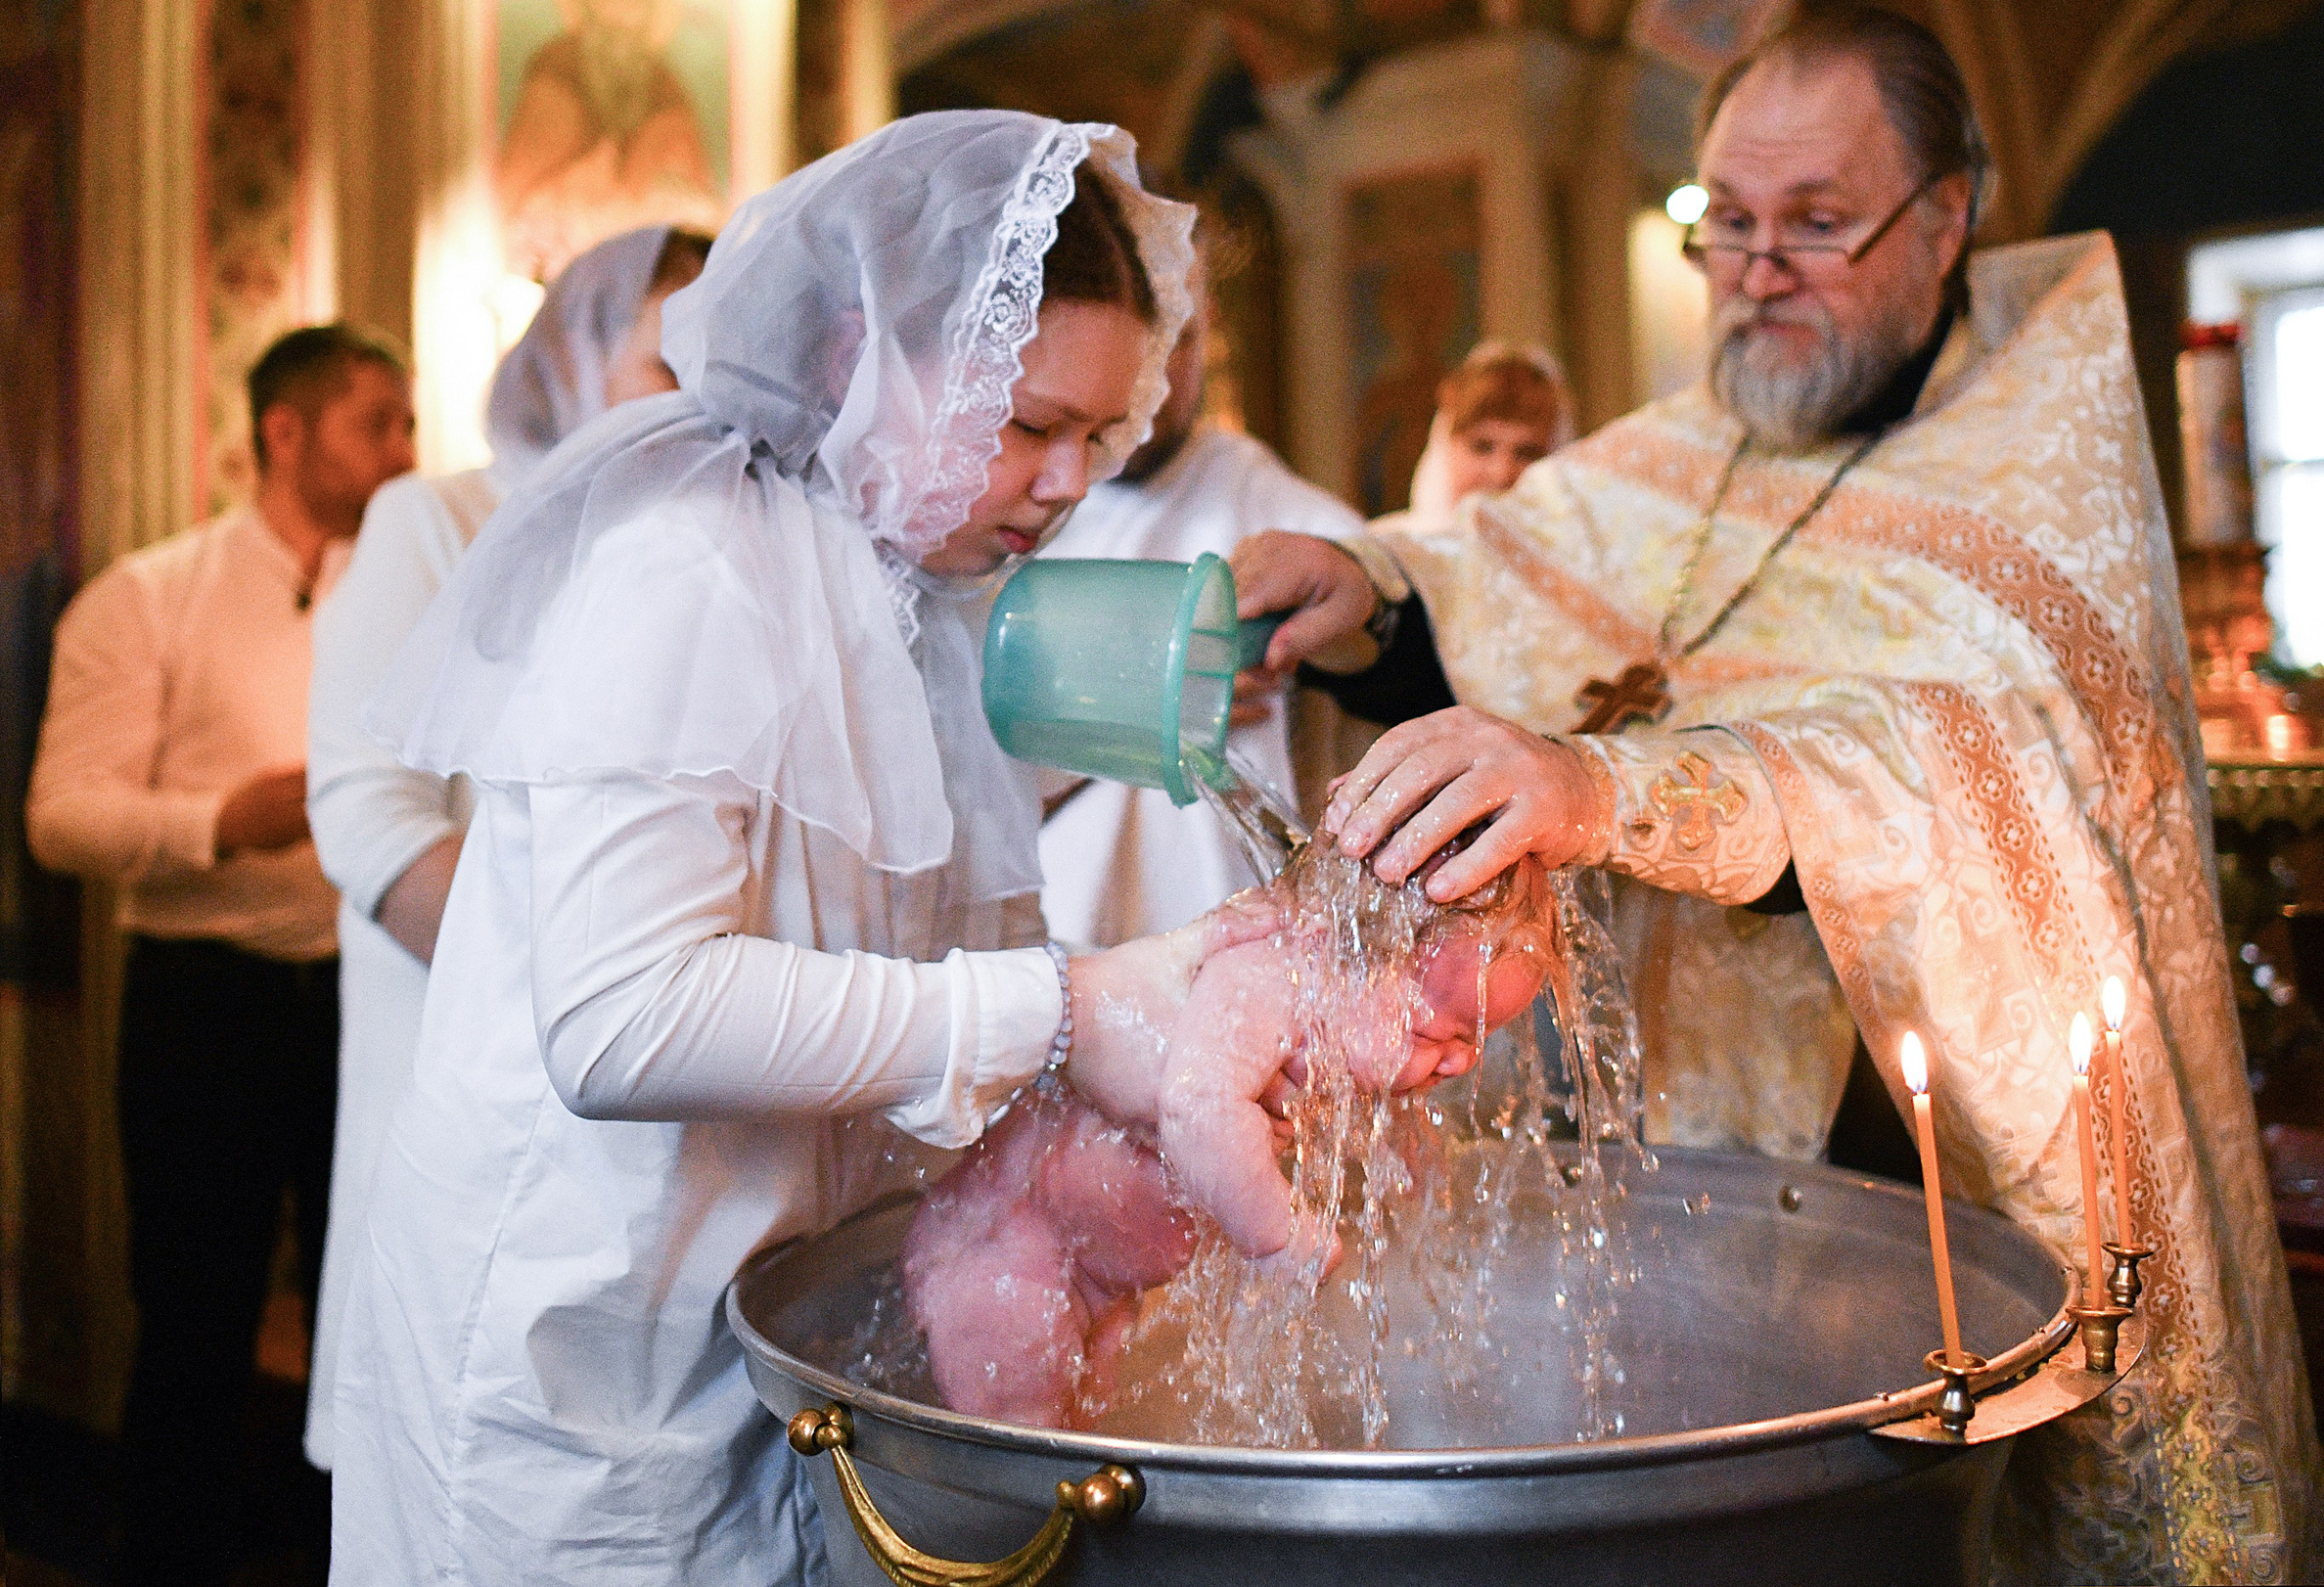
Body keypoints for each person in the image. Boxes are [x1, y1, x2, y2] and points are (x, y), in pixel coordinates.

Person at [1234, 11, 2324, 1583]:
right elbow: (1500, 581)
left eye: (1815, 225)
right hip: (1636, 1139)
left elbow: (1966, 763)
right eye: (1726, 225)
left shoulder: (2037, 477)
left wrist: (1612, 787)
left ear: (1948, 216)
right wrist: (1368, 590)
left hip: (1903, 1157)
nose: (1757, 270)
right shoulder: (1679, 447)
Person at [326, 112, 1416, 1582]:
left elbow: (876, 881)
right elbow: (619, 1015)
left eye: (1100, 435)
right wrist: (1063, 1008)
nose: (1063, 483)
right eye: (1027, 425)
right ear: (858, 356)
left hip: (767, 1347)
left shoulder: (910, 576)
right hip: (585, 1368)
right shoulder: (688, 562)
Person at [298, 225, 709, 1471]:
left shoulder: (716, 540)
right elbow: (370, 812)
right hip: (476, 1064)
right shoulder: (438, 514)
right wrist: (568, 995)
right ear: (574, 356)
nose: (704, 393)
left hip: (657, 1094)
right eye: (664, 359)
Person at [26, 323, 416, 1585]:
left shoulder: (404, 593)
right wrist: (216, 823)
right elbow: (60, 812)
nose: (406, 451)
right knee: (195, 1314)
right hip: (204, 1004)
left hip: (368, 993)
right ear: (284, 433)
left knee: (367, 1299)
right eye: (380, 422)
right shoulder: (149, 596)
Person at [1036, 245, 1360, 946]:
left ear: (1207, 327)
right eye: (1135, 342)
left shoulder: (1262, 502)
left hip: (1228, 943)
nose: (1151, 380)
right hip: (1038, 953)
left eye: (1177, 338)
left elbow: (1395, 600)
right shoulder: (1006, 505)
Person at [497, 0, 723, 278]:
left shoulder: (668, 91)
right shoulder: (553, 73)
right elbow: (519, 200)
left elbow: (699, 214)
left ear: (648, 5)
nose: (618, 16)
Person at [1385, 340, 1574, 532]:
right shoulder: (1385, 551)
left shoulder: (1585, 558)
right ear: (1446, 444)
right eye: (1482, 447)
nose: (1501, 474)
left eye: (1526, 453)